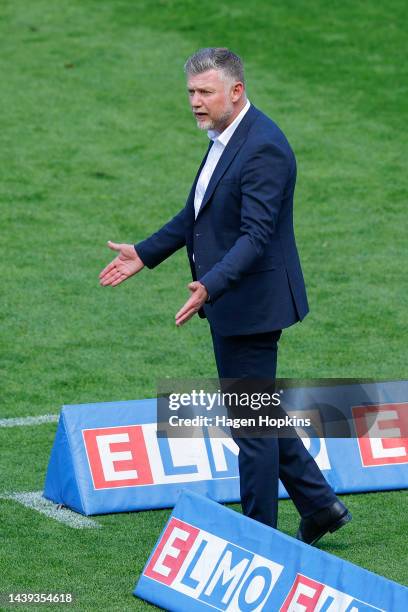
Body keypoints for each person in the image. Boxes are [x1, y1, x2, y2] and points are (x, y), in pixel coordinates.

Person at [99, 47, 352, 545]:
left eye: (205, 92)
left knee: (250, 426)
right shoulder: (225, 135)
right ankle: (321, 506)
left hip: (253, 305)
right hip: (232, 301)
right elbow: (198, 211)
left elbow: (256, 237)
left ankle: (259, 540)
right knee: (258, 410)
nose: (195, 101)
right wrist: (146, 253)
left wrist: (210, 284)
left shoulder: (264, 147)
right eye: (191, 92)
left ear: (235, 91)